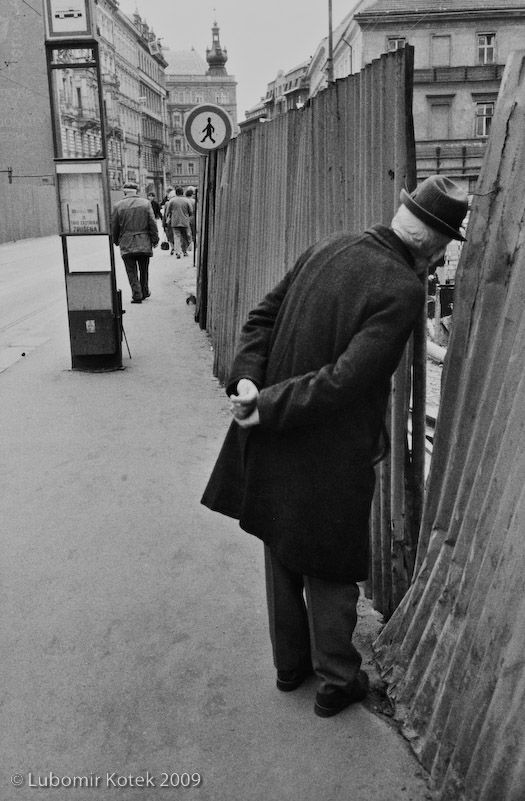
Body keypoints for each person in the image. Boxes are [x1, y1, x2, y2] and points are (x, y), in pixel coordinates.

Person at [201, 175, 468, 718]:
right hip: (329, 447)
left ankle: (289, 667)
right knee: (329, 563)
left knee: (280, 544)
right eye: (443, 248)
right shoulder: (402, 288)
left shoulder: (329, 244)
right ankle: (337, 680)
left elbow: (261, 317)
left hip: (272, 437)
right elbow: (347, 381)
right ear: (432, 244)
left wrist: (248, 382)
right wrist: (263, 402)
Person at [111, 182, 159, 303]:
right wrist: (155, 239)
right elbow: (152, 223)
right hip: (144, 241)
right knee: (144, 269)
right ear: (136, 191)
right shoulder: (146, 203)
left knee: (131, 271)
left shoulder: (118, 206)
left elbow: (114, 226)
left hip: (126, 242)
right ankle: (145, 291)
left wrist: (116, 240)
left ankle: (137, 294)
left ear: (125, 192)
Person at [164, 186, 193, 258]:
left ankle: (178, 252)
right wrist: (187, 215)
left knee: (176, 237)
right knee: (184, 236)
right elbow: (191, 211)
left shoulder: (172, 201)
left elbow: (168, 212)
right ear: (182, 192)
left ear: (176, 193)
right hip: (184, 221)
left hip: (175, 222)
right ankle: (185, 251)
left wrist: (170, 217)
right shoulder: (186, 200)